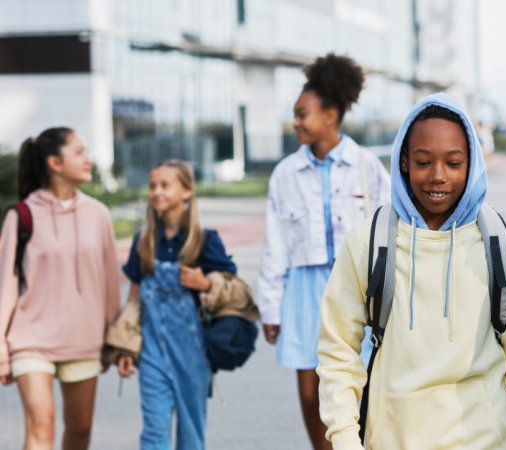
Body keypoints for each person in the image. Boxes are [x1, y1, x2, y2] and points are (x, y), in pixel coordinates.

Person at [316, 93, 506, 449]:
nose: (438, 176)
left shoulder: (502, 246)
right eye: (423, 162)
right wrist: (344, 439)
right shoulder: (370, 242)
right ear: (403, 161)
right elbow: (338, 350)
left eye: (453, 163)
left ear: (473, 164)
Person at [256, 53, 390, 450]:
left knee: (360, 384)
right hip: (303, 289)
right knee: (311, 392)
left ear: (331, 114)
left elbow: (388, 230)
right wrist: (270, 306)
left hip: (356, 287)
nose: (296, 122)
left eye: (303, 114)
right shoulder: (285, 173)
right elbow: (274, 244)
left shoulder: (367, 167)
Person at [0, 127, 120, 450]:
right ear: (55, 162)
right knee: (41, 425)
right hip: (31, 339)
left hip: (84, 339)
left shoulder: (98, 215)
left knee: (80, 429)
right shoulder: (21, 216)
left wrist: (117, 339)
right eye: (79, 153)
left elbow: (110, 282)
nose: (88, 159)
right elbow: (6, 287)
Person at [115, 160, 237, 450]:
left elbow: (233, 288)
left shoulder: (204, 241)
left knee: (191, 435)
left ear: (186, 192)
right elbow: (133, 298)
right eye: (152, 185)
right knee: (154, 433)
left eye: (165, 185)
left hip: (193, 356)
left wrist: (205, 283)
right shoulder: (143, 241)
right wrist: (125, 346)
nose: (156, 191)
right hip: (152, 353)